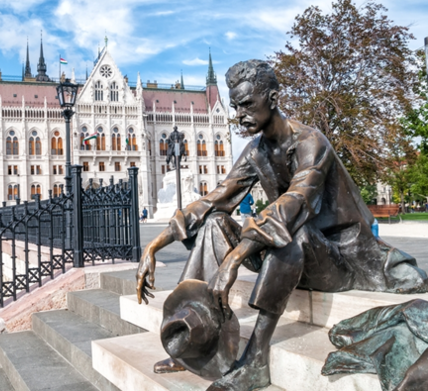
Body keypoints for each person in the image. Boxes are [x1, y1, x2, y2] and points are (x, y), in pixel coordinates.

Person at [135, 59, 428, 391]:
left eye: (247, 104)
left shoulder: (310, 142)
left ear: (273, 99)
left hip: (338, 259)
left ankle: (256, 361)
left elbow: (296, 203)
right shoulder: (255, 152)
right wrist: (154, 245)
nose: (240, 114)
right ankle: (193, 335)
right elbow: (213, 200)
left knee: (293, 231)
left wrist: (235, 258)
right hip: (294, 257)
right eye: (236, 106)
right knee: (216, 222)